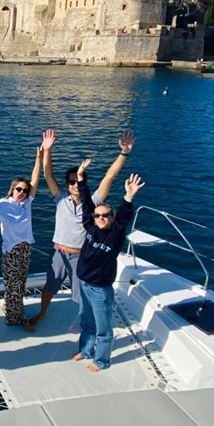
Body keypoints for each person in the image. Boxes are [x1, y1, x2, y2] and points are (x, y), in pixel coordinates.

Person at [32, 129, 135, 326]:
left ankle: (87, 327)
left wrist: (124, 153)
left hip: (82, 256)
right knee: (49, 287)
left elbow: (109, 177)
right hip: (59, 253)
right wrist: (47, 150)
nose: (74, 185)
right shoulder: (60, 198)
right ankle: (42, 313)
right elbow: (47, 174)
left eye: (77, 181)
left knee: (82, 295)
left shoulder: (94, 202)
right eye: (71, 182)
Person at [71, 159, 145, 373]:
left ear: (111, 218)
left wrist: (128, 197)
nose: (101, 218)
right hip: (83, 283)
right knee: (85, 321)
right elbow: (86, 202)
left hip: (100, 289)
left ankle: (101, 360)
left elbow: (123, 219)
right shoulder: (91, 227)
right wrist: (81, 177)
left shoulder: (114, 237)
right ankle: (85, 350)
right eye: (98, 215)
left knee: (103, 328)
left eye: (106, 215)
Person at [0, 144, 43, 332]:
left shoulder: (27, 203)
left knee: (21, 283)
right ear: (12, 189)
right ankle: (17, 319)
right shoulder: (3, 204)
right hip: (11, 251)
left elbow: (35, 179)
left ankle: (13, 311)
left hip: (25, 248)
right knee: (13, 286)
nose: (22, 193)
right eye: (19, 189)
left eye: (25, 190)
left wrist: (39, 158)